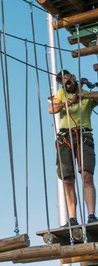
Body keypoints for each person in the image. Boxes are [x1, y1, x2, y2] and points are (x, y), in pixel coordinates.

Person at [48, 70, 98, 226]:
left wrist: (83, 96)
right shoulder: (61, 93)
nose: (67, 85)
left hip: (83, 135)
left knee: (86, 175)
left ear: (74, 78)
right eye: (64, 84)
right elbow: (52, 109)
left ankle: (91, 215)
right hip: (65, 137)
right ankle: (72, 218)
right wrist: (67, 103)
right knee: (67, 180)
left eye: (68, 82)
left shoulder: (85, 94)